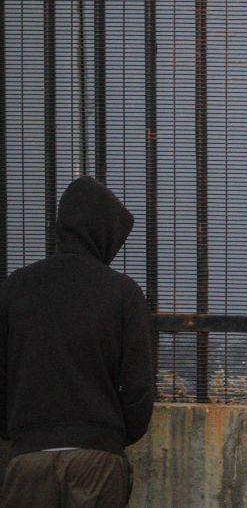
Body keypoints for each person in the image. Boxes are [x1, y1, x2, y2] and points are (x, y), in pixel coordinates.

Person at [0, 176, 154, 507]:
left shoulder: (16, 288)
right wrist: (113, 437)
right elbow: (138, 387)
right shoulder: (123, 293)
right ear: (103, 233)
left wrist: (17, 432)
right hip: (97, 459)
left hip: (28, 457)